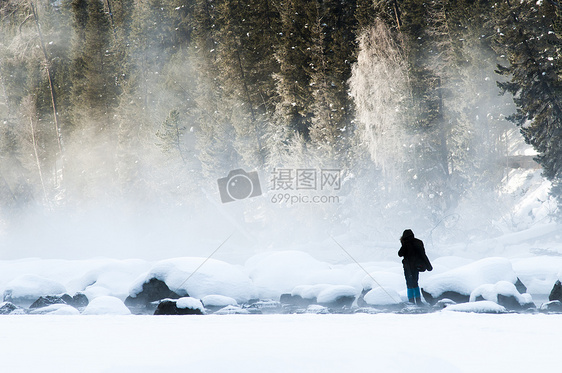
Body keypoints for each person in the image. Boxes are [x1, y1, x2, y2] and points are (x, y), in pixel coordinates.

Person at [398, 229, 433, 305]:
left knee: (409, 283)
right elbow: (423, 254)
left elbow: (400, 254)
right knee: (415, 282)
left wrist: (403, 244)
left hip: (407, 267)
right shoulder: (418, 242)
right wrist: (428, 266)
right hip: (416, 266)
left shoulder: (406, 244)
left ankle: (411, 301)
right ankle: (418, 300)